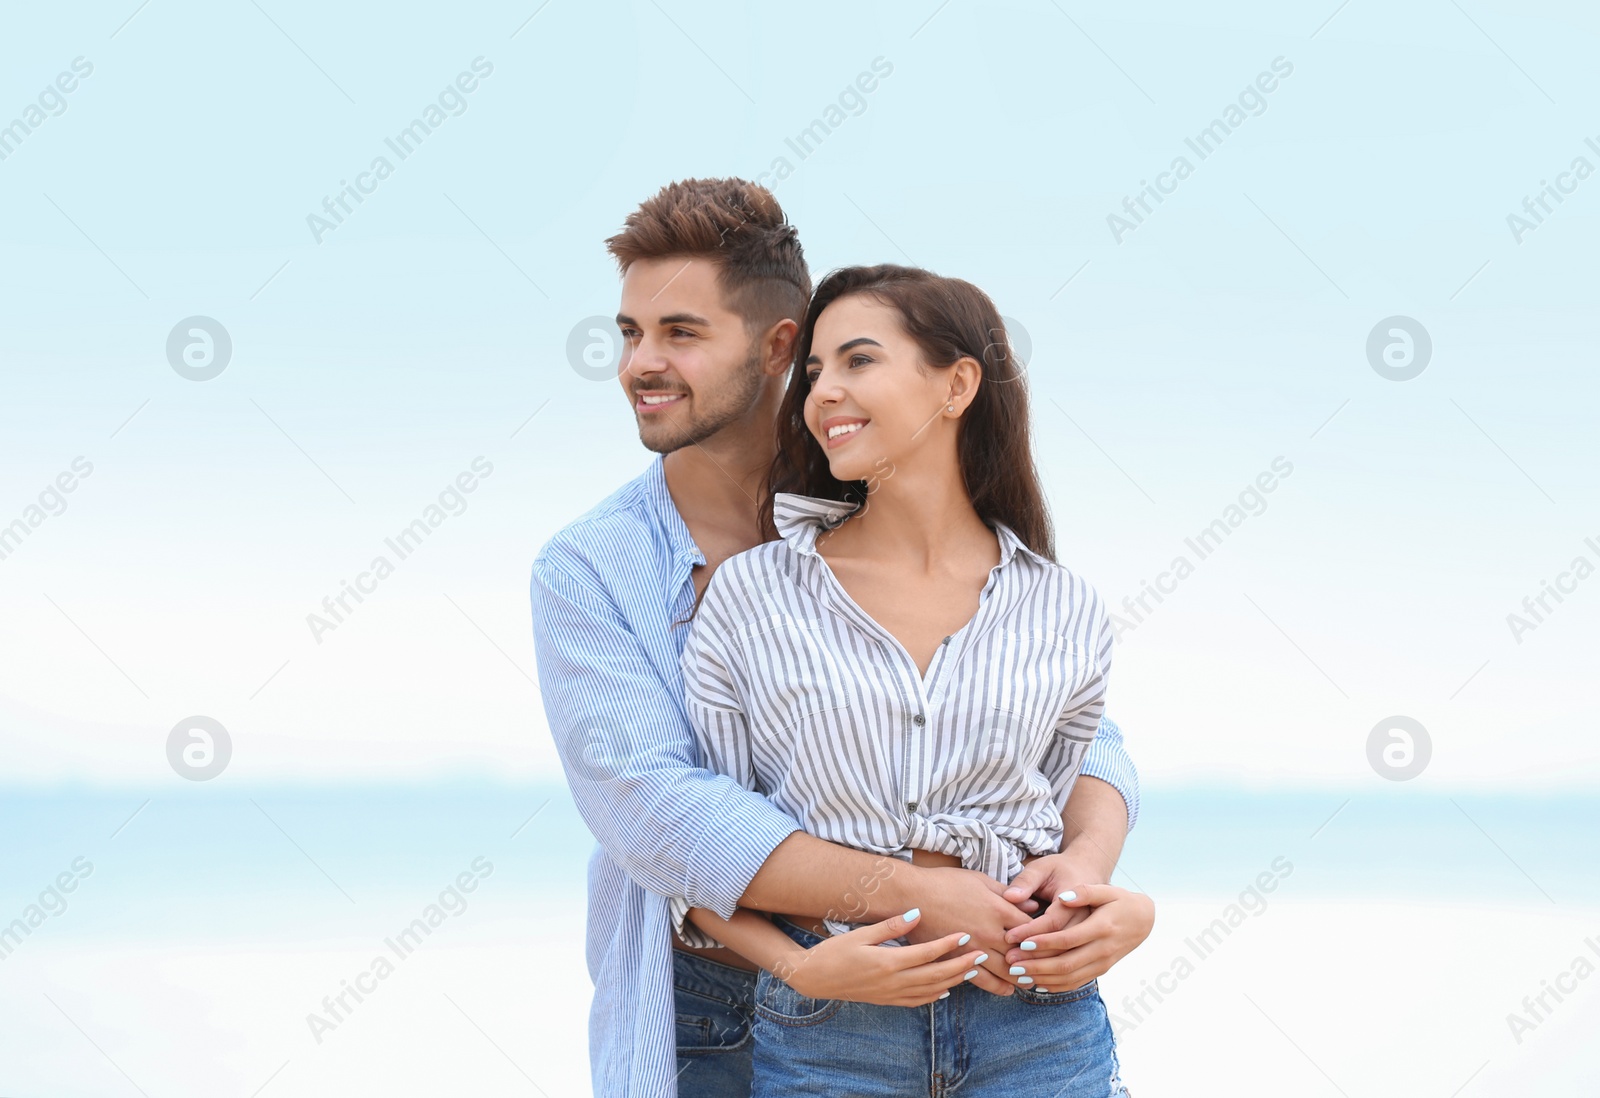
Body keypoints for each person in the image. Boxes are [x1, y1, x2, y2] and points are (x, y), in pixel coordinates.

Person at [530, 179, 1152, 1098]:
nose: (639, 364)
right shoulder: (589, 567)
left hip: (979, 989)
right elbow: (653, 810)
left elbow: (1075, 733)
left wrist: (1090, 882)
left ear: (779, 345)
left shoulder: (904, 506)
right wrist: (882, 909)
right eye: (629, 334)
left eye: (681, 333)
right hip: (713, 995)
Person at [668, 262, 1146, 1096]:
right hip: (832, 1027)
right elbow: (697, 844)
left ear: (958, 384)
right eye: (814, 372)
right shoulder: (754, 594)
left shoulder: (1062, 606)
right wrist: (798, 966)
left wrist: (1112, 905)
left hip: (1037, 1021)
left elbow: (1076, 801)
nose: (821, 394)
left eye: (858, 361)